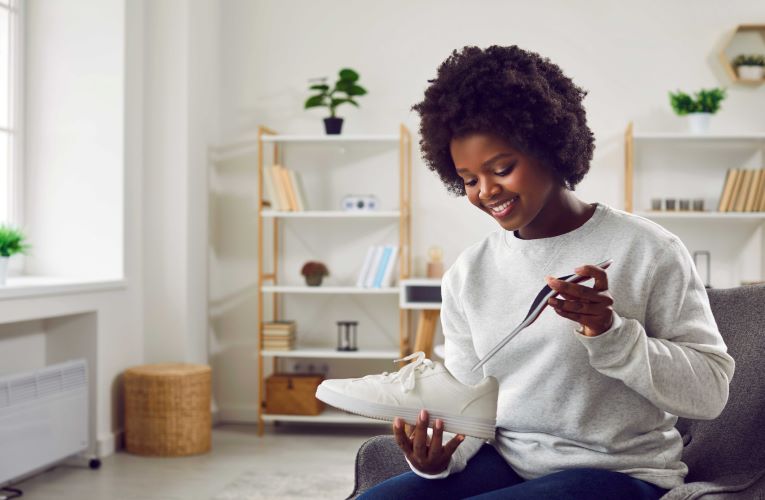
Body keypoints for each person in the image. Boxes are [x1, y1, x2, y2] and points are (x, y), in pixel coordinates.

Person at [358, 45, 735, 500]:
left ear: (550, 148)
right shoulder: (468, 273)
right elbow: (468, 403)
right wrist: (441, 459)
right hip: (508, 463)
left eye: (501, 168)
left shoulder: (647, 249)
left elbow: (711, 393)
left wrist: (609, 333)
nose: (485, 192)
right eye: (470, 179)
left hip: (619, 474)